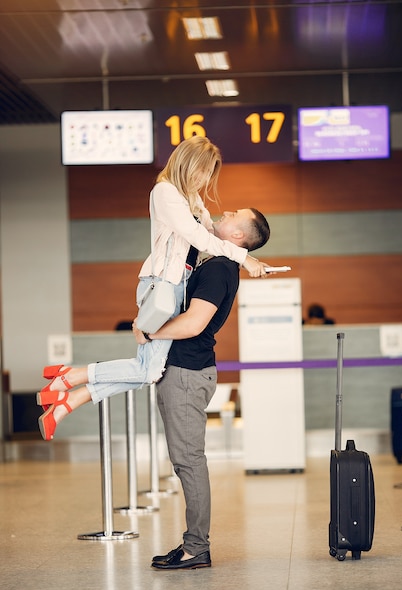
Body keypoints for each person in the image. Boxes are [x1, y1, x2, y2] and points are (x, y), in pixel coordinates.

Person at [37, 136, 267, 440]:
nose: (205, 179)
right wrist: (245, 258)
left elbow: (214, 237)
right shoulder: (165, 192)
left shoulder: (192, 199)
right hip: (162, 287)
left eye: (209, 173)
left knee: (148, 369)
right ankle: (72, 378)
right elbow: (199, 239)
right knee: (148, 371)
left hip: (175, 288)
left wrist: (243, 253)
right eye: (203, 171)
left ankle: (70, 399)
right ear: (188, 163)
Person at [133, 207, 271, 570]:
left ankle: (197, 548)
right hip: (185, 370)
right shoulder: (218, 260)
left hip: (186, 373)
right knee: (187, 462)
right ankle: (194, 544)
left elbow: (194, 322)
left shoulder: (219, 269)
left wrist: (150, 332)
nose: (225, 211)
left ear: (238, 236)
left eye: (234, 214)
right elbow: (197, 223)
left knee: (189, 462)